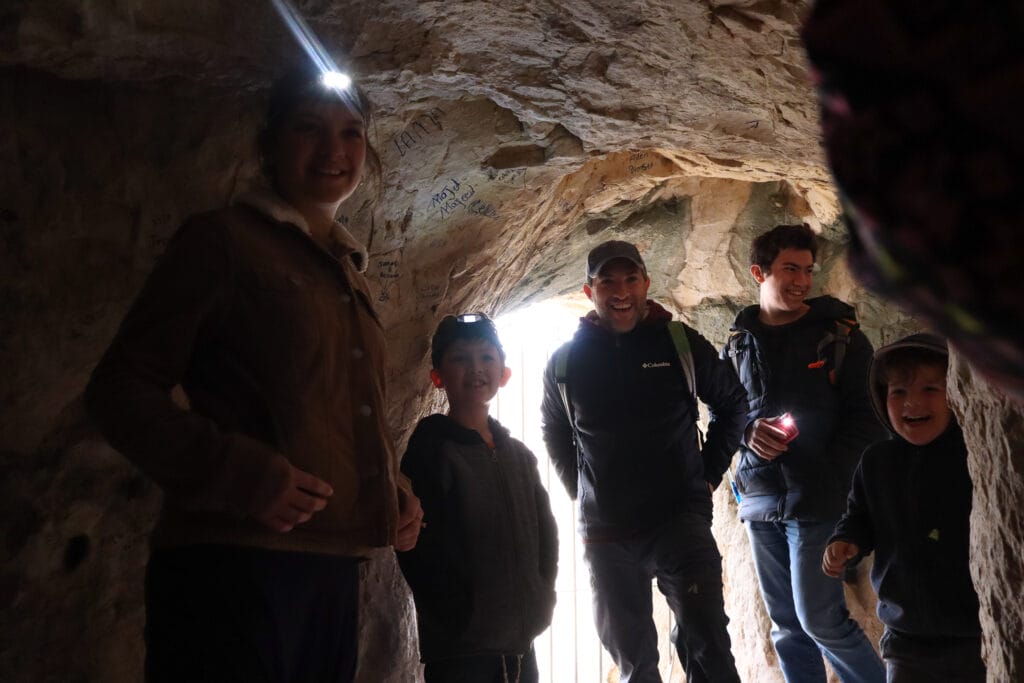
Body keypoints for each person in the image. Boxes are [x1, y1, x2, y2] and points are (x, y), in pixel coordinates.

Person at [85, 64, 422, 683]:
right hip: (232, 568)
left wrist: (392, 493)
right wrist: (234, 471)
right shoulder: (222, 243)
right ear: (268, 145)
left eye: (351, 133)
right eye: (308, 129)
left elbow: (331, 409)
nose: (334, 151)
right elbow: (119, 389)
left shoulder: (347, 269)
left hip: (331, 568)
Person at [541, 240, 747, 683]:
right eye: (608, 281)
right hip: (607, 535)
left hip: (680, 523)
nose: (621, 291)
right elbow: (555, 430)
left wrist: (707, 474)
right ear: (588, 290)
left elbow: (734, 404)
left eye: (631, 278)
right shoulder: (566, 362)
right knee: (635, 662)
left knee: (707, 643)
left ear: (646, 284)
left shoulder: (678, 343)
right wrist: (579, 490)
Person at [723, 223, 887, 683]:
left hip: (820, 503)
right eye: (788, 269)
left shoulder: (840, 336)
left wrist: (830, 480)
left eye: (807, 271)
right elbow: (727, 414)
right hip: (760, 502)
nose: (800, 280)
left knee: (820, 620)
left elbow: (868, 418)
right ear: (759, 272)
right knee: (787, 629)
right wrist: (748, 432)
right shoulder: (738, 343)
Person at [397, 313, 558, 683]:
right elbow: (413, 546)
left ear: (504, 372)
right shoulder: (430, 453)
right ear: (437, 376)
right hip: (461, 652)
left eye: (486, 357)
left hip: (521, 644)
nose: (476, 368)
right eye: (460, 358)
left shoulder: (519, 455)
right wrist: (453, 613)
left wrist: (540, 595)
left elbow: (546, 535)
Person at [823, 333, 985, 683]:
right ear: (883, 398)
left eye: (930, 389)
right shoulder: (877, 461)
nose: (913, 402)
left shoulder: (974, 456)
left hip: (974, 635)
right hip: (905, 637)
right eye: (898, 392)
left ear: (955, 393)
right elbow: (859, 516)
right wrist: (846, 541)